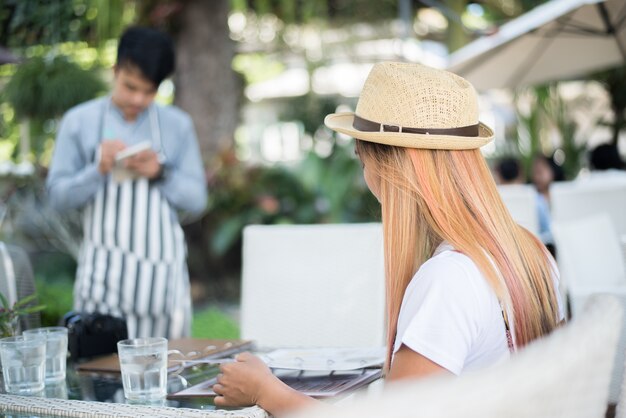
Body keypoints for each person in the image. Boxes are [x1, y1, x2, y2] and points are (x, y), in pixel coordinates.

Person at [211, 62, 565, 415]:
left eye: (362, 159)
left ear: (387, 166)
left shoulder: (450, 279)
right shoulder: (532, 252)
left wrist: (264, 391)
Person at [46, 26, 207, 339]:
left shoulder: (177, 126)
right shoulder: (79, 122)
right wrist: (97, 169)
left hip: (162, 291)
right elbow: (56, 199)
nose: (137, 98)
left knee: (166, 381)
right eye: (130, 86)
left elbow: (197, 200)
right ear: (115, 70)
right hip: (102, 287)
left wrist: (160, 173)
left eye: (148, 92)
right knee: (99, 383)